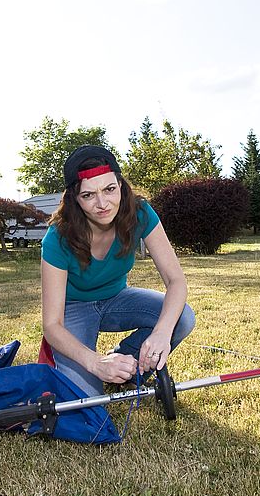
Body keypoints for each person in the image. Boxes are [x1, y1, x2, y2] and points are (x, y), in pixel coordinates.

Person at [40, 144, 196, 397]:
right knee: (86, 403)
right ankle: (102, 370)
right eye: (88, 195)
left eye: (110, 189)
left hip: (117, 299)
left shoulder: (141, 213)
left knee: (182, 317)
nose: (102, 203)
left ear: (121, 185)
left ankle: (126, 368)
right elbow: (51, 325)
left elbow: (176, 281)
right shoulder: (57, 238)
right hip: (74, 309)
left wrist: (161, 333)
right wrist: (95, 363)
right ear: (75, 200)